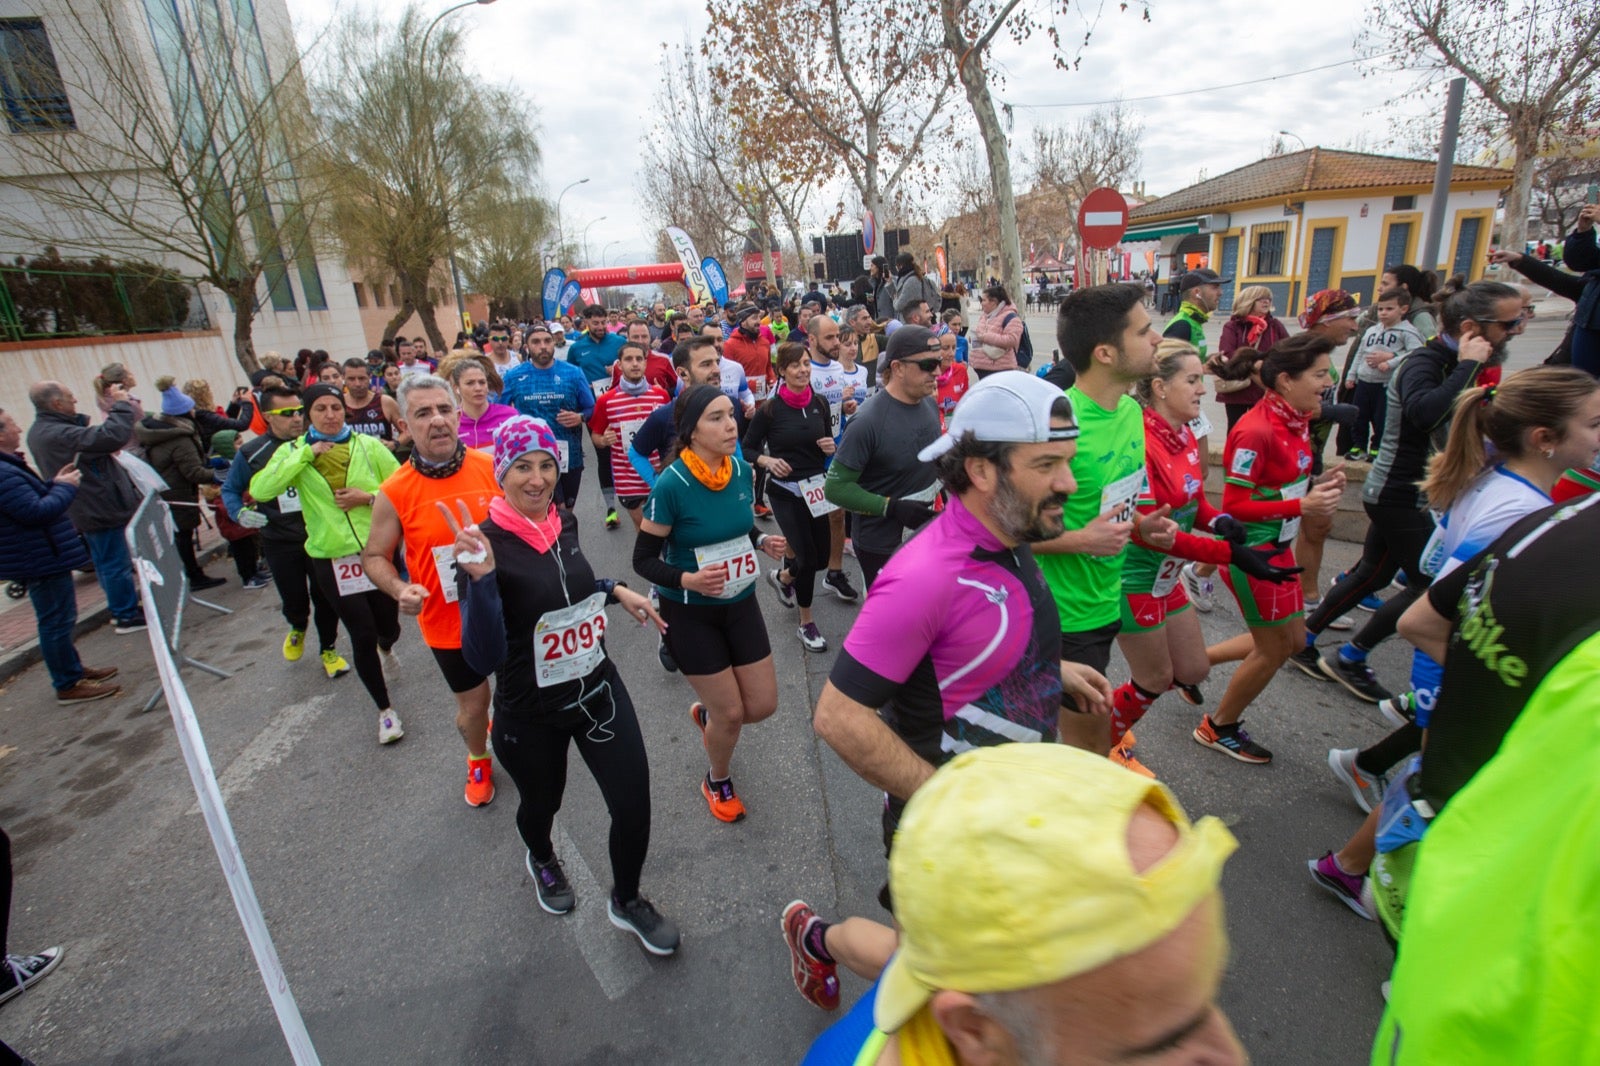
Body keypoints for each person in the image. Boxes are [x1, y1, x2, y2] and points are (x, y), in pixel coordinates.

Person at [795, 743, 1244, 1065]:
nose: (1234, 1056)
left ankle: (817, 938)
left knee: (903, 959)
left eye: (1210, 997)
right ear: (975, 1032)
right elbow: (839, 715)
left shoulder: (962, 971)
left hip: (946, 961)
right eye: (1165, 1045)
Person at [1369, 499, 1600, 1063]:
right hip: (1502, 969)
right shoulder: (1526, 506)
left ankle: (1350, 848)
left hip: (1442, 872)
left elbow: (1420, 620)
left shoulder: (1559, 516)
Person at [450, 416, 679, 953]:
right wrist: (482, 584)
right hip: (530, 712)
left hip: (597, 689)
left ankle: (627, 899)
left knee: (633, 802)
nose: (538, 479)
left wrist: (612, 589)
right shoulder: (482, 548)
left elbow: (566, 590)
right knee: (541, 805)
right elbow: (481, 656)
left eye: (546, 465)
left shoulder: (563, 520)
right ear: (501, 473)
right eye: (522, 467)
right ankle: (542, 857)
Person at [1289, 281, 1524, 701]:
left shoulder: (1450, 361)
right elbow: (1423, 414)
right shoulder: (1427, 362)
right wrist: (1468, 367)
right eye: (1508, 324)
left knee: (1373, 573)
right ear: (1471, 328)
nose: (1515, 331)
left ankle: (1305, 639)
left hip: (1407, 490)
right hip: (1399, 491)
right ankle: (1352, 656)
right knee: (1427, 585)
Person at [1111, 341, 1299, 774]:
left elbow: (1192, 501)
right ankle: (1101, 740)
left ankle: (1102, 711)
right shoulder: (1140, 441)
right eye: (1193, 380)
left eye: (1201, 379)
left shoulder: (1183, 433)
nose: (1203, 389)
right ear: (1160, 387)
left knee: (1193, 669)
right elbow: (1157, 534)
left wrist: (1219, 522)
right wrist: (1231, 553)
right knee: (1155, 678)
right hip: (1134, 575)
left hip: (1167, 575)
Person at [1032, 283, 1177, 757]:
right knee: (1087, 752)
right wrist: (1081, 540)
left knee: (1087, 743)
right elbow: (1001, 535)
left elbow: (1113, 503)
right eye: (1144, 330)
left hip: (1108, 600)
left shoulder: (1132, 410)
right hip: (1065, 616)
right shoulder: (1056, 425)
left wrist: (1141, 525)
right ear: (1106, 353)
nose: (1157, 338)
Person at [632, 385, 789, 822]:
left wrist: (760, 540)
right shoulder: (672, 484)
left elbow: (735, 528)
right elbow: (643, 559)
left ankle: (710, 718)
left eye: (731, 415)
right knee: (733, 713)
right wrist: (688, 579)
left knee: (763, 705)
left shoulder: (740, 470)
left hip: (740, 602)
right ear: (691, 431)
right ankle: (717, 779)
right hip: (689, 612)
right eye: (716, 418)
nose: (730, 425)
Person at [1196, 333, 1346, 764]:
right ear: (1285, 380)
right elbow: (1234, 506)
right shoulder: (1256, 430)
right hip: (1255, 556)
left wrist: (1317, 486)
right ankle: (1218, 726)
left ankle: (1190, 666)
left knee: (1294, 640)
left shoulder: (1297, 418)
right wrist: (1303, 505)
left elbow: (1280, 484)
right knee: (1274, 649)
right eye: (1319, 374)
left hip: (1281, 550)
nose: (1328, 382)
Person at [361, 374, 503, 805]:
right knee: (474, 707)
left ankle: (520, 745)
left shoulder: (492, 466)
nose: (437, 420)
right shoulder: (394, 490)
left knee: (519, 696)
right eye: (423, 413)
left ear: (458, 415)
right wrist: (399, 589)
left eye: (444, 409)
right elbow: (374, 555)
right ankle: (478, 758)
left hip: (507, 608)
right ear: (404, 426)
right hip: (448, 622)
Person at [249, 383, 404, 744]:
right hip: (331, 557)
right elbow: (260, 490)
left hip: (377, 551)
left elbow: (401, 486)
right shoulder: (293, 452)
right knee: (361, 633)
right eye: (320, 409)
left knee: (388, 626)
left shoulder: (367, 446)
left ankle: (387, 647)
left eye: (335, 407)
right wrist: (306, 454)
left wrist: (368, 497)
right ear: (308, 415)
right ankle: (385, 711)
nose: (330, 415)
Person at [223, 382, 348, 677]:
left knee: (326, 597)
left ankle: (328, 649)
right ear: (267, 416)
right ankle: (297, 626)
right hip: (279, 540)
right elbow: (230, 489)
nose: (296, 418)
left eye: (300, 411)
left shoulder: (318, 442)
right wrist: (239, 513)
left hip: (319, 535)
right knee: (295, 599)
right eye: (287, 413)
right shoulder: (252, 452)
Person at [0, 410, 120, 704]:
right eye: (12, 424)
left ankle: (72, 669)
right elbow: (35, 512)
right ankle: (67, 682)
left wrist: (54, 485)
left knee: (61, 618)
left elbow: (30, 502)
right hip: (38, 557)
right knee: (55, 621)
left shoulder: (9, 466)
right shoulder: (4, 472)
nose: (18, 428)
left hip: (42, 554)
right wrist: (65, 488)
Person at [823, 327, 943, 590]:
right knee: (894, 613)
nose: (937, 372)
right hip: (881, 543)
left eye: (939, 363)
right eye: (928, 365)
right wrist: (892, 508)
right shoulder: (867, 421)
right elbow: (835, 488)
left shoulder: (929, 404)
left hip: (923, 531)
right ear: (897, 367)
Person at [26, 379, 146, 634]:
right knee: (114, 562)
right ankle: (125, 614)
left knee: (107, 561)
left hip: (90, 503)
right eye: (70, 397)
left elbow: (96, 442)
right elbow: (112, 437)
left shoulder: (45, 431)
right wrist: (120, 405)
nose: (75, 400)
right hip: (97, 504)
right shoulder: (58, 433)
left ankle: (122, 609)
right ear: (56, 403)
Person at [744, 343, 839, 652]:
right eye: (795, 365)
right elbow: (747, 448)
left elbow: (826, 444)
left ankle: (783, 578)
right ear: (782, 371)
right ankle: (806, 623)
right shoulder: (770, 410)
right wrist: (767, 461)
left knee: (821, 558)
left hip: (816, 489)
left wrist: (830, 448)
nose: (803, 370)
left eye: (807, 364)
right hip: (785, 492)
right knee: (808, 559)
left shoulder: (820, 403)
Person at [134, 378, 226, 590]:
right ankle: (194, 576)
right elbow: (194, 472)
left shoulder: (161, 432)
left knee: (179, 537)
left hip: (168, 492)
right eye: (191, 408)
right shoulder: (180, 439)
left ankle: (188, 575)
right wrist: (222, 475)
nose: (194, 411)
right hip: (178, 493)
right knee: (183, 537)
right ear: (184, 413)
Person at [499, 323, 596, 518]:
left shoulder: (573, 373)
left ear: (553, 343)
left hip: (569, 455)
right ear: (527, 347)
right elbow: (499, 412)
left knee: (566, 512)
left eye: (547, 341)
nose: (543, 346)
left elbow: (591, 408)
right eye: (536, 342)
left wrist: (580, 417)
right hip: (530, 457)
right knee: (549, 509)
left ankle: (562, 536)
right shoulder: (514, 376)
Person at [589, 342, 671, 531]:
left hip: (659, 474)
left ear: (645, 363)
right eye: (628, 359)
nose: (634, 364)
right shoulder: (606, 401)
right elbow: (596, 436)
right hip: (628, 478)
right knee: (646, 530)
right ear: (619, 365)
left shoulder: (660, 396)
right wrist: (603, 440)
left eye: (639, 359)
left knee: (664, 531)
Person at [1345, 288, 1427, 461]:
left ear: (1403, 309)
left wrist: (1392, 359)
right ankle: (1358, 446)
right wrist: (1352, 375)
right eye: (1381, 309)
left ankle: (1377, 448)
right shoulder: (1371, 331)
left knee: (1381, 418)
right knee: (1359, 416)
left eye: (1389, 309)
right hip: (1364, 381)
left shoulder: (1407, 332)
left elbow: (1417, 352)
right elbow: (1360, 353)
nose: (1383, 313)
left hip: (1386, 384)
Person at [1211, 285, 1286, 431]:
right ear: (1248, 301)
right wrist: (1253, 364)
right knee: (1236, 428)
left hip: (1264, 386)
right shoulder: (1233, 326)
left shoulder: (1274, 326)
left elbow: (1286, 351)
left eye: (1268, 299)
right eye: (1261, 299)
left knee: (1263, 429)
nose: (1266, 302)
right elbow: (1227, 353)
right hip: (1238, 387)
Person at [439, 351, 515, 451]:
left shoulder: (509, 416)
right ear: (456, 388)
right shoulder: (450, 422)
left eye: (482, 382)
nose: (478, 388)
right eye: (470, 383)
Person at [1162, 268, 1227, 358]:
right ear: (1197, 292)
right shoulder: (1182, 325)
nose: (1220, 292)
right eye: (1215, 287)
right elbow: (1166, 363)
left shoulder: (1194, 321)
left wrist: (1208, 361)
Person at [341, 358, 400, 449]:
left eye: (362, 378)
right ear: (343, 378)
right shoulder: (338, 404)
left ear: (369, 377)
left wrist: (394, 444)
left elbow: (407, 431)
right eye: (351, 379)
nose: (357, 384)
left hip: (381, 456)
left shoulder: (384, 401)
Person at [967, 284, 1023, 377]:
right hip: (981, 367)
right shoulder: (985, 315)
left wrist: (985, 337)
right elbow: (980, 335)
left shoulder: (1011, 317)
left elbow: (1012, 340)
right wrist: (974, 339)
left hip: (999, 368)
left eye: (983, 300)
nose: (981, 303)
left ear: (993, 302)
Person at [179, 379, 248, 453]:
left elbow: (224, 424)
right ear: (204, 396)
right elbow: (242, 425)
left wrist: (234, 404)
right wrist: (247, 403)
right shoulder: (204, 416)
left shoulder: (195, 415)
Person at [723, 303, 775, 401]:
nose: (759, 321)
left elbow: (768, 367)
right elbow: (726, 378)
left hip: (763, 401)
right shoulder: (729, 345)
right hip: (742, 403)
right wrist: (748, 386)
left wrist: (772, 380)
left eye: (759, 317)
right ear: (743, 322)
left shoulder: (764, 342)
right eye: (754, 318)